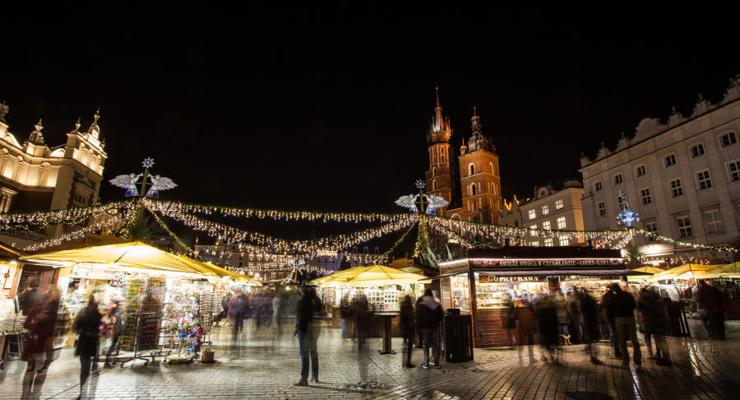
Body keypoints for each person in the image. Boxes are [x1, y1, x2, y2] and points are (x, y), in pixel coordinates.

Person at [73, 296, 102, 400]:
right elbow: (100, 328)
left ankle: (82, 391)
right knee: (90, 366)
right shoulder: (98, 314)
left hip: (84, 341)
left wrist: (81, 331)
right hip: (93, 342)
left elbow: (75, 327)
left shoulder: (83, 312)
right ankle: (86, 391)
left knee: (84, 368)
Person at [607, 281, 642, 368]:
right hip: (630, 317)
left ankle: (626, 362)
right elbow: (634, 305)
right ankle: (638, 361)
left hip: (619, 318)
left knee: (622, 341)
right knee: (634, 339)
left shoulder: (614, 297)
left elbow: (611, 309)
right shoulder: (628, 295)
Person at [294, 286, 323, 386]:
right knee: (314, 352)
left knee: (304, 353)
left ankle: (304, 378)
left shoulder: (302, 302)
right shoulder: (317, 301)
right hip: (316, 328)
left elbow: (300, 317)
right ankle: (315, 376)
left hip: (305, 329)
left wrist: (297, 328)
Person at [637, 285, 671, 365]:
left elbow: (641, 309)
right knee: (660, 340)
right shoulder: (658, 300)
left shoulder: (645, 300)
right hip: (660, 322)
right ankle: (662, 356)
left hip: (653, 322)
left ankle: (666, 359)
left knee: (660, 340)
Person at [416, 289, 443, 369]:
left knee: (426, 345)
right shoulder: (436, 303)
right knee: (435, 345)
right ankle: (436, 364)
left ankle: (426, 363)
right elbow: (441, 316)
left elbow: (417, 316)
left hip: (424, 327)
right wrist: (436, 320)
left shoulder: (420, 303)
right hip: (434, 327)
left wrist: (419, 326)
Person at [577, 288, 602, 365]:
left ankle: (592, 356)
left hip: (586, 322)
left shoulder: (582, 302)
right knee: (593, 340)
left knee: (590, 339)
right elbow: (595, 313)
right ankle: (594, 357)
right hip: (591, 322)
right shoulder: (589, 302)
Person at [600, 283, 622, 358]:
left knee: (613, 333)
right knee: (616, 333)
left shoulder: (605, 296)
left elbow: (601, 306)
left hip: (609, 317)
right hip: (617, 316)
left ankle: (616, 350)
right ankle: (617, 350)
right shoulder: (616, 296)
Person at [104, 299, 125, 368]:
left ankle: (114, 360)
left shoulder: (118, 312)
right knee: (113, 345)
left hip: (118, 330)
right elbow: (112, 322)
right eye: (121, 304)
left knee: (117, 345)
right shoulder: (116, 313)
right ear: (118, 305)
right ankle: (107, 361)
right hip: (116, 330)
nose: (123, 306)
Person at [399, 294, 416, 368]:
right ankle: (408, 362)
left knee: (405, 345)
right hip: (410, 328)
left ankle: (403, 361)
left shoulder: (402, 307)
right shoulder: (410, 307)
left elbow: (402, 318)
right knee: (409, 346)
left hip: (404, 328)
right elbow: (411, 318)